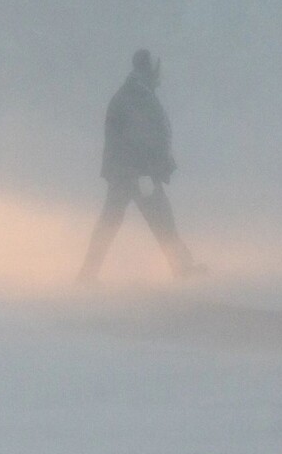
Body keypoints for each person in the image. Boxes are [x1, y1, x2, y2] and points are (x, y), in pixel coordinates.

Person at [77, 49, 206, 283]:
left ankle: (87, 275)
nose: (160, 77)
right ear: (149, 70)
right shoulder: (138, 97)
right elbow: (142, 137)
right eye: (157, 71)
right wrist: (146, 170)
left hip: (126, 172)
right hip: (137, 173)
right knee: (161, 219)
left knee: (110, 223)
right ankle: (182, 268)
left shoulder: (131, 93)